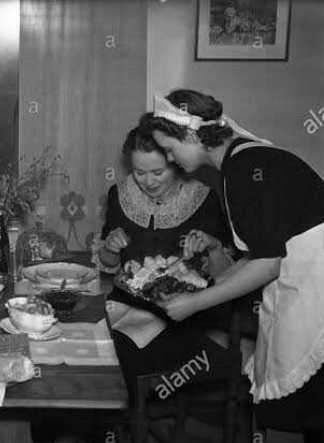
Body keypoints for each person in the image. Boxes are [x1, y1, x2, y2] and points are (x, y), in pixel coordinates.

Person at [140, 88, 324, 443]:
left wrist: (195, 303)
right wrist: (212, 266)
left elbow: (267, 264)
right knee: (275, 402)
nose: (169, 158)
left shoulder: (247, 168)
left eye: (168, 148)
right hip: (304, 278)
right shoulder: (244, 158)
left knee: (285, 413)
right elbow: (266, 247)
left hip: (322, 286)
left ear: (191, 136)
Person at [97, 126, 236, 402]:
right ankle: (94, 429)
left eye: (157, 172)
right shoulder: (119, 195)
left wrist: (212, 246)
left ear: (177, 163)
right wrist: (110, 248)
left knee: (123, 355)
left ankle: (122, 423)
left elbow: (228, 276)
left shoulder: (203, 198)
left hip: (183, 317)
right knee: (93, 350)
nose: (148, 181)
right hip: (126, 308)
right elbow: (108, 264)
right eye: (139, 172)